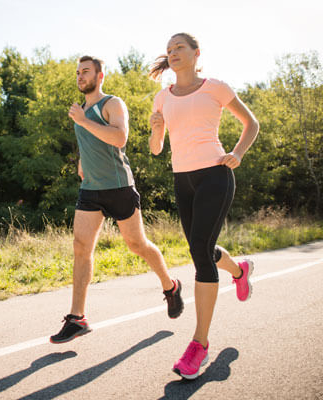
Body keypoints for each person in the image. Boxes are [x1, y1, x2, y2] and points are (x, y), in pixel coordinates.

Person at [50, 55, 184, 344]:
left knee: (137, 245)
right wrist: (82, 164)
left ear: (100, 75)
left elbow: (120, 138)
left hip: (119, 186)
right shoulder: (81, 110)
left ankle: (170, 287)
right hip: (91, 188)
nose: (80, 76)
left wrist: (84, 121)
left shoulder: (112, 103)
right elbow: (88, 142)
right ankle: (77, 318)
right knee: (81, 246)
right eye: (77, 72)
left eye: (85, 71)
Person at [149, 33, 259, 379]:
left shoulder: (216, 87)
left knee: (199, 249)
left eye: (179, 47)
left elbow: (251, 123)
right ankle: (239, 272)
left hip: (215, 174)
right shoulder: (162, 97)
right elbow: (155, 150)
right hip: (183, 180)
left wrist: (237, 153)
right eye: (169, 50)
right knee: (202, 248)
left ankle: (200, 344)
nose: (173, 53)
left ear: (197, 53)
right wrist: (155, 129)